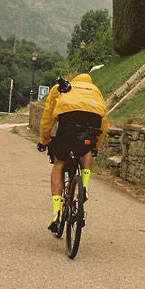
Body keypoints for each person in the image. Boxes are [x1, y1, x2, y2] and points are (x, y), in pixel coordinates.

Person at [37, 73, 107, 233]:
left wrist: (44, 140)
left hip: (68, 120)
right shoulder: (95, 90)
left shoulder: (62, 88)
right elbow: (104, 121)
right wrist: (96, 145)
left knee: (59, 163)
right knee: (87, 148)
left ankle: (56, 212)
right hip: (93, 120)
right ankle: (85, 185)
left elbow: (48, 115)